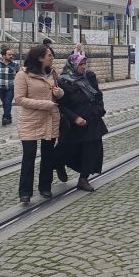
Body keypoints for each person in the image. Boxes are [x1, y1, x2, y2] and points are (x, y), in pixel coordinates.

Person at [14, 45, 64, 202]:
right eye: (49, 55)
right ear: (40, 58)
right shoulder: (23, 75)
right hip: (30, 121)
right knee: (29, 156)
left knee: (47, 156)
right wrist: (45, 104)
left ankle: (45, 187)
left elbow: (60, 93)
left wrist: (59, 93)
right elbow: (19, 99)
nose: (52, 57)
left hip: (50, 119)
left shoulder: (53, 72)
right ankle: (25, 192)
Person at [55, 54, 107, 193]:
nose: (84, 67)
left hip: (92, 119)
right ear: (72, 65)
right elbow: (61, 105)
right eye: (81, 64)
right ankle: (59, 164)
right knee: (65, 150)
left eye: (84, 64)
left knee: (93, 149)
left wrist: (99, 109)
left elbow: (97, 94)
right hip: (74, 124)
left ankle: (83, 179)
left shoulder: (89, 77)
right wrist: (75, 118)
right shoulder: (62, 82)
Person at [0, 47, 18, 125]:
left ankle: (5, 118)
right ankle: (9, 117)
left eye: (12, 54)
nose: (11, 56)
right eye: (9, 54)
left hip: (11, 87)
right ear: (3, 56)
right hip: (1, 87)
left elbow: (18, 74)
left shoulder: (15, 64)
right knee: (4, 103)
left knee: (8, 102)